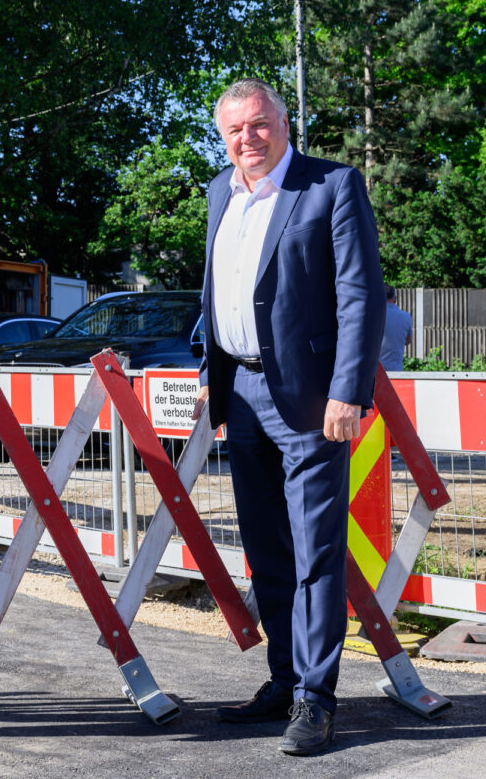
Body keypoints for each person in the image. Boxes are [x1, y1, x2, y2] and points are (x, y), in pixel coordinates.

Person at [193, 79, 384, 756]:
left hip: (309, 402)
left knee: (315, 552)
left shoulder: (330, 186)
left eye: (259, 124)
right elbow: (219, 293)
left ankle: (316, 699)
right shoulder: (221, 192)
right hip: (241, 396)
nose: (249, 138)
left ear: (282, 121)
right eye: (235, 130)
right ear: (223, 138)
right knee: (267, 550)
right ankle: (282, 680)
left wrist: (348, 392)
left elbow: (362, 296)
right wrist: (207, 379)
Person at [379, 284, 413, 373]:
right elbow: (408, 341)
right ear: (395, 299)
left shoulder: (372, 316)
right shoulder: (406, 316)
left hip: (376, 373)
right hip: (396, 372)